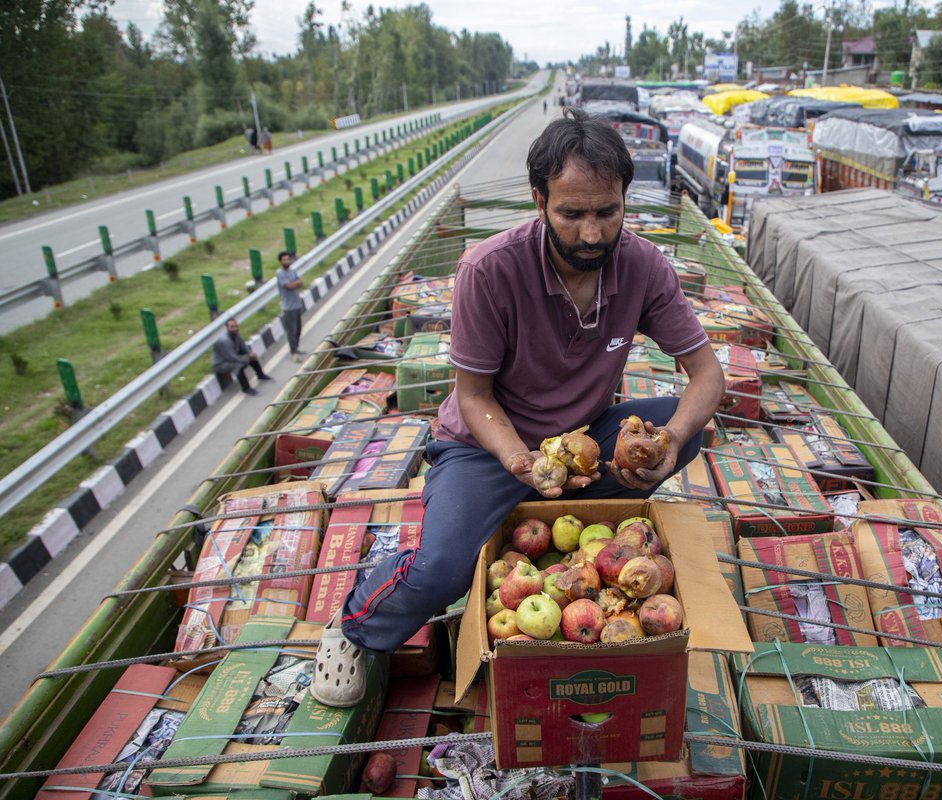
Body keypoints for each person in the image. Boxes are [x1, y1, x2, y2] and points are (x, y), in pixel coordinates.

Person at [310, 108, 725, 707]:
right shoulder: (490, 270)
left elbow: (707, 374)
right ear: (539, 200)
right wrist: (520, 460)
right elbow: (472, 396)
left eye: (607, 212)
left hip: (579, 438)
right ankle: (353, 629)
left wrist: (671, 441)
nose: (592, 233)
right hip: (485, 446)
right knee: (443, 570)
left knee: (688, 429)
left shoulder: (642, 265)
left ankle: (579, 510)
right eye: (572, 213)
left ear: (624, 201)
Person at [211, 318, 272, 396]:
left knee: (251, 356)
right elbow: (232, 357)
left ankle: (260, 375)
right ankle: (246, 388)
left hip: (230, 358)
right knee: (238, 365)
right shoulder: (224, 341)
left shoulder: (236, 335)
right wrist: (247, 357)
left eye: (236, 326)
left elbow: (244, 347)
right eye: (232, 327)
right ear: (227, 328)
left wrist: (250, 354)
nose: (235, 328)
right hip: (221, 364)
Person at [276, 251, 304, 362]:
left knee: (298, 328)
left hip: (297, 303)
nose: (287, 261)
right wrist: (294, 284)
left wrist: (294, 284)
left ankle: (296, 347)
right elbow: (288, 286)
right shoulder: (280, 273)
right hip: (288, 307)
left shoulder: (292, 270)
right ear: (280, 262)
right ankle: (294, 351)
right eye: (284, 260)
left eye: (288, 259)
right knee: (291, 330)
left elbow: (300, 282)